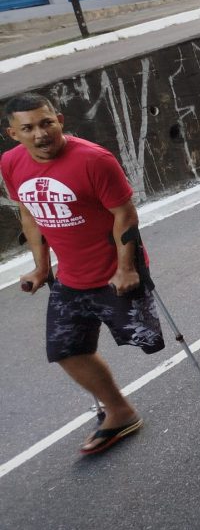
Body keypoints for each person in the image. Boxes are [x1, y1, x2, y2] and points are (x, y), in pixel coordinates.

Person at [3, 93, 166, 455]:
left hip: (115, 275)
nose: (40, 133)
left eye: (46, 122)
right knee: (66, 349)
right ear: (14, 134)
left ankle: (122, 401)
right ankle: (120, 411)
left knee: (148, 343)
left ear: (59, 119)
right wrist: (42, 267)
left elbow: (125, 215)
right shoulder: (11, 164)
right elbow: (29, 215)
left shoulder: (94, 160)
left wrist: (126, 269)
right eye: (28, 128)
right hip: (70, 279)